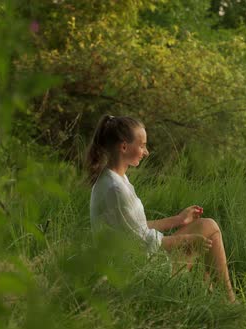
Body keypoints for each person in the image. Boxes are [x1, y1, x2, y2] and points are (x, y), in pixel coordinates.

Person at [86, 114, 235, 303]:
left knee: (206, 228)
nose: (146, 152)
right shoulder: (115, 189)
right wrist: (185, 240)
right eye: (142, 145)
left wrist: (179, 220)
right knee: (209, 229)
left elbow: (135, 228)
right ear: (124, 147)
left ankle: (214, 298)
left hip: (134, 262)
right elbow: (139, 242)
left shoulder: (116, 180)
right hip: (133, 274)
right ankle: (229, 302)